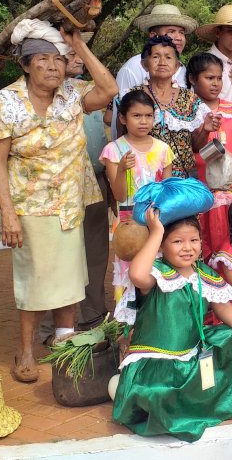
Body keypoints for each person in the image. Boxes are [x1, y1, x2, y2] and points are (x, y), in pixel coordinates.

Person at [0, 19, 118, 383]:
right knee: (36, 279)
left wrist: (80, 45)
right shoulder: (5, 102)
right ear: (25, 65)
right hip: (29, 206)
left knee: (71, 279)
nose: (53, 66)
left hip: (70, 204)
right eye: (42, 59)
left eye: (58, 58)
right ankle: (24, 349)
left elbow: (109, 88)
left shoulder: (72, 95)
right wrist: (6, 214)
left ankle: (64, 342)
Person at [112, 179, 232, 442]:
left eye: (194, 240)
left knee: (231, 337)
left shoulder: (202, 273)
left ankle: (226, 401)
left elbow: (222, 308)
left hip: (193, 355)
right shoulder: (157, 274)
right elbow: (137, 274)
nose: (188, 248)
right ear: (162, 246)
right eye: (177, 242)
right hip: (158, 362)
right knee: (163, 399)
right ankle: (194, 404)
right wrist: (156, 232)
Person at [39, 35, 112, 342]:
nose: (78, 56)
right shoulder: (39, 94)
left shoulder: (83, 90)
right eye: (68, 52)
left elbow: (109, 90)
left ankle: (93, 316)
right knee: (56, 256)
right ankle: (52, 327)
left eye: (81, 50)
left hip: (94, 179)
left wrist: (80, 47)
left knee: (94, 253)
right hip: (53, 187)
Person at [101, 90, 174, 325]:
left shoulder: (163, 149)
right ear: (122, 118)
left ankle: (157, 326)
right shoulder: (114, 150)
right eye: (136, 116)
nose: (143, 122)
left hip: (157, 223)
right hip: (128, 224)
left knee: (156, 272)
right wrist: (121, 169)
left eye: (148, 116)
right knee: (129, 274)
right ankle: (129, 330)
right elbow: (119, 195)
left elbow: (167, 192)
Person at [188, 52, 232, 258]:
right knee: (204, 240)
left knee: (230, 240)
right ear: (193, 79)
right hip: (200, 189)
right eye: (209, 78)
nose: (216, 84)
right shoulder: (187, 113)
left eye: (219, 78)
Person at [120, 35, 217, 179]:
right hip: (146, 179)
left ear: (177, 65)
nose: (162, 62)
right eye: (155, 57)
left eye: (168, 57)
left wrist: (205, 131)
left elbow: (196, 147)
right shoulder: (131, 97)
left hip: (183, 182)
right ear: (144, 64)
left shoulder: (190, 99)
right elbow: (122, 141)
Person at [111, 4, 198, 138]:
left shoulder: (183, 70)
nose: (179, 37)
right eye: (171, 31)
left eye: (181, 32)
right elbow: (121, 120)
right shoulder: (133, 68)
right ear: (153, 35)